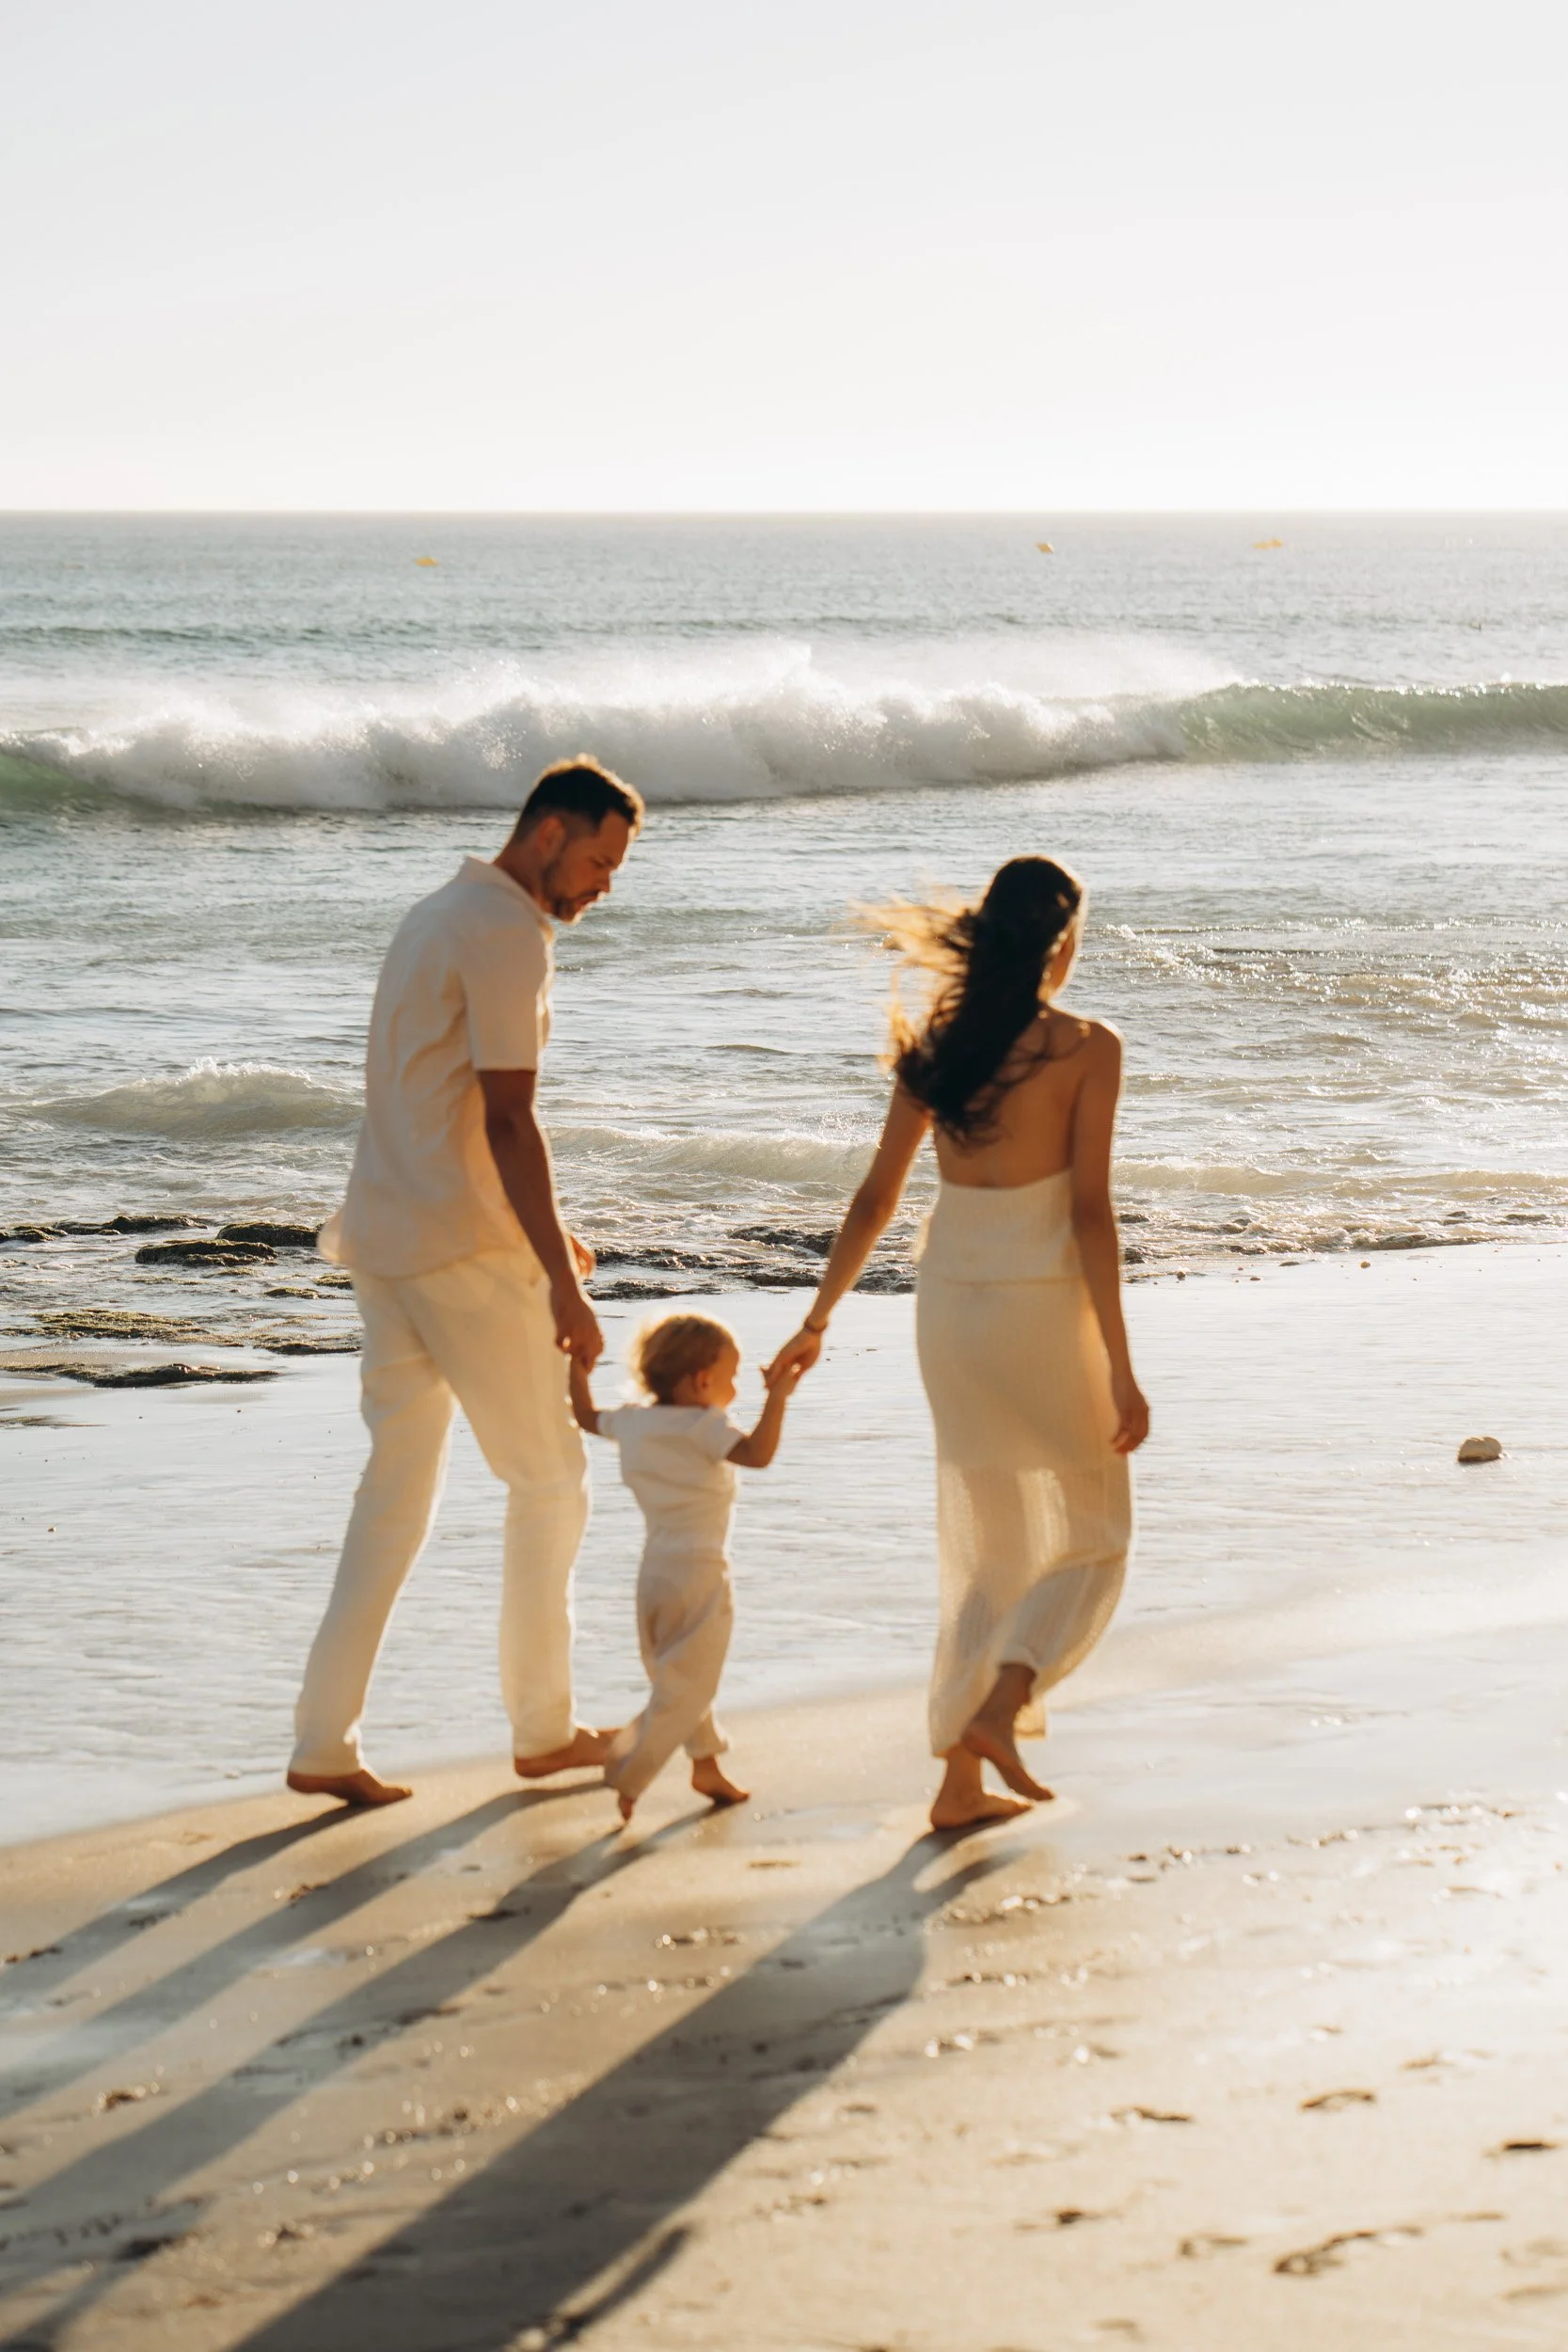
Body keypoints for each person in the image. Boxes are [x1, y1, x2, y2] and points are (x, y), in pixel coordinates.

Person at [286, 756, 644, 1807]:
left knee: (393, 1497)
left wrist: (552, 1231)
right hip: (461, 1256)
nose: (602, 885)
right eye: (596, 859)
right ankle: (543, 1731)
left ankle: (323, 1741)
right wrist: (557, 1276)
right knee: (549, 1483)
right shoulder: (503, 933)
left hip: (384, 1238)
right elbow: (504, 1116)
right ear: (545, 836)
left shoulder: (433, 913)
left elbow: (436, 1104)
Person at [768, 856, 1149, 1831]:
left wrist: (815, 1320)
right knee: (1093, 1535)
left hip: (947, 1310)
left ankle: (954, 1784)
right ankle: (994, 1708)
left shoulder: (939, 1041)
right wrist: (1119, 1363)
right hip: (1038, 1307)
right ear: (1060, 945)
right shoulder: (1086, 1048)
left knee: (986, 1546)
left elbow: (873, 1197)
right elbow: (1091, 1215)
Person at [570, 1313, 802, 1822]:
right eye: (732, 1377)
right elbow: (758, 1455)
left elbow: (585, 1415)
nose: (735, 1388)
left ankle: (707, 1768)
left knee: (676, 1675)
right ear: (701, 1380)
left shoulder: (632, 1421)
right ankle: (628, 1771)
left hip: (652, 1573)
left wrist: (577, 1365)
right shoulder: (705, 1426)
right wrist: (778, 1397)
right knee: (690, 1683)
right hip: (700, 1572)